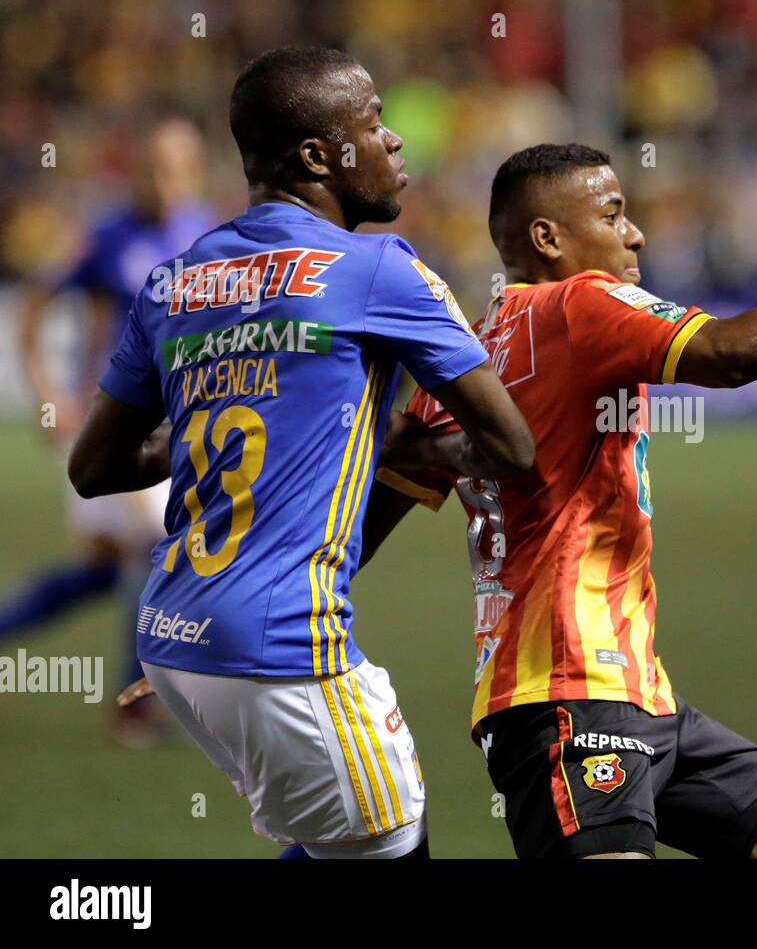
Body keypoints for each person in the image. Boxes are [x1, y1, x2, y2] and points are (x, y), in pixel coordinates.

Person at [361, 143, 757, 858]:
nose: (635, 233)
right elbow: (728, 355)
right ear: (547, 239)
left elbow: (357, 534)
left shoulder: (472, 358)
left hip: (632, 699)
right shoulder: (580, 303)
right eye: (612, 213)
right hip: (572, 701)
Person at [70, 47, 533, 859]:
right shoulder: (380, 271)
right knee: (388, 840)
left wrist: (243, 412)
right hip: (286, 648)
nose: (395, 142)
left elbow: (94, 468)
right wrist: (406, 438)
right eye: (374, 122)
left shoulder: (178, 279)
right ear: (318, 156)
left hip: (173, 637)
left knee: (340, 837)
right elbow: (509, 443)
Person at [4, 118, 215, 747]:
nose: (163, 179)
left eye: (176, 166)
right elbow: (34, 308)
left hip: (181, 426)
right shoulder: (104, 235)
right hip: (116, 427)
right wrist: (52, 397)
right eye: (153, 166)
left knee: (102, 574)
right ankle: (137, 710)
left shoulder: (208, 234)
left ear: (196, 170)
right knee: (162, 551)